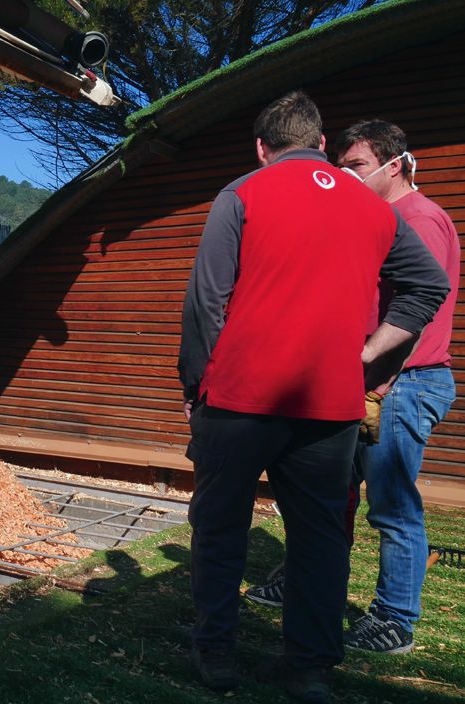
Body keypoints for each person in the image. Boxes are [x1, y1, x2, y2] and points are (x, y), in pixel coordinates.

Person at [178, 92, 448, 702]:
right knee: (320, 538)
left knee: (220, 530)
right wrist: (372, 353)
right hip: (330, 408)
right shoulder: (373, 207)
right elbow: (427, 285)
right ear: (322, 144)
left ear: (260, 148)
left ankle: (216, 653)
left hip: (239, 400)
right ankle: (310, 668)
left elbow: (206, 302)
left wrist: (196, 386)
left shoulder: (241, 194)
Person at [245, 121, 459, 655]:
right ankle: (307, 580)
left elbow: (422, 314)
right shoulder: (379, 217)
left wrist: (380, 382)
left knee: (391, 505)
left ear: (395, 163)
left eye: (357, 165)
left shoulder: (420, 219)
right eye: (340, 164)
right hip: (367, 381)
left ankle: (395, 618)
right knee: (329, 493)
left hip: (402, 383)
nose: (345, 175)